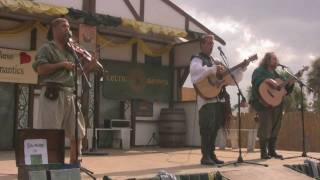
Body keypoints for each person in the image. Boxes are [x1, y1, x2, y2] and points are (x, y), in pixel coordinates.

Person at [33, 18, 100, 164]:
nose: (67, 28)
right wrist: (62, 64)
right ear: (54, 29)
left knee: (78, 132)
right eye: (63, 26)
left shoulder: (72, 51)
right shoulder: (47, 48)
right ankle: (52, 165)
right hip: (53, 94)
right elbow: (40, 69)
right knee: (51, 132)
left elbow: (76, 74)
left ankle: (74, 164)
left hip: (70, 94)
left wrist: (89, 66)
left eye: (68, 26)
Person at [189, 34, 246, 165]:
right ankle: (205, 157)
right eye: (208, 43)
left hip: (218, 99)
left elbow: (230, 78)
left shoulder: (216, 60)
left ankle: (212, 155)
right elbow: (195, 74)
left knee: (215, 128)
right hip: (206, 100)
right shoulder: (197, 59)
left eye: (212, 44)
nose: (211, 46)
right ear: (202, 44)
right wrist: (210, 70)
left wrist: (240, 68)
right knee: (206, 128)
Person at [251, 52, 294, 159]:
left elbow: (283, 90)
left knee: (275, 127)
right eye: (273, 59)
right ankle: (263, 152)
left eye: (276, 59)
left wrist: (291, 83)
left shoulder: (276, 74)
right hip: (263, 103)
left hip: (277, 105)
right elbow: (255, 81)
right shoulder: (259, 71)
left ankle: (272, 151)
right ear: (267, 60)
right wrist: (267, 80)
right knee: (265, 126)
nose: (276, 61)